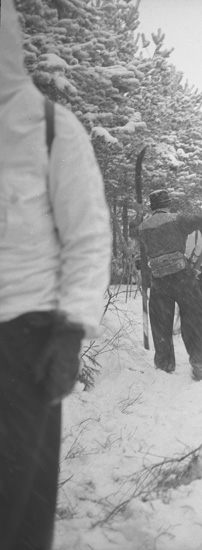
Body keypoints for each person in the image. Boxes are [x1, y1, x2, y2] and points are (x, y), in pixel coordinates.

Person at [0, 1, 112, 548]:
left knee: (17, 497)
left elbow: (88, 238)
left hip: (24, 338)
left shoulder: (51, 127)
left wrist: (70, 333)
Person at [138, 189, 202, 380]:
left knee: (160, 323)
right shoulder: (177, 219)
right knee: (194, 318)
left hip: (158, 280)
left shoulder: (143, 227)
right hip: (182, 278)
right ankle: (199, 365)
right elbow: (201, 219)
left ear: (153, 207)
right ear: (167, 204)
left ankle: (164, 366)